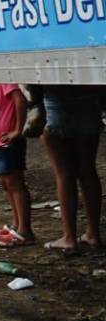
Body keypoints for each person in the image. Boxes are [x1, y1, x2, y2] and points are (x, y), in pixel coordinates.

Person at [41, 85, 102, 250]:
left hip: (57, 99)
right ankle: (93, 234)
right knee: (88, 170)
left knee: (64, 173)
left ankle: (69, 237)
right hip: (90, 97)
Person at [0, 83, 34, 247]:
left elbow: (20, 100)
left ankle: (24, 230)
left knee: (14, 182)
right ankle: (16, 225)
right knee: (6, 184)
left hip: (8, 140)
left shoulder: (4, 80)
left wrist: (18, 130)